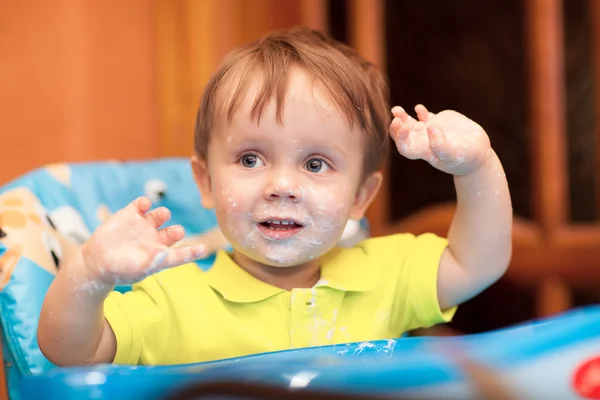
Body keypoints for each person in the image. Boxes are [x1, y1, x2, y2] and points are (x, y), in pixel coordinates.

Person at [37, 27, 512, 366]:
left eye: (314, 164)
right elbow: (70, 353)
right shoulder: (173, 301)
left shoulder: (388, 276)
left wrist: (477, 165)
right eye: (250, 159)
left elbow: (478, 263)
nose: (281, 186)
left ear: (360, 198)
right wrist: (89, 273)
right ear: (204, 182)